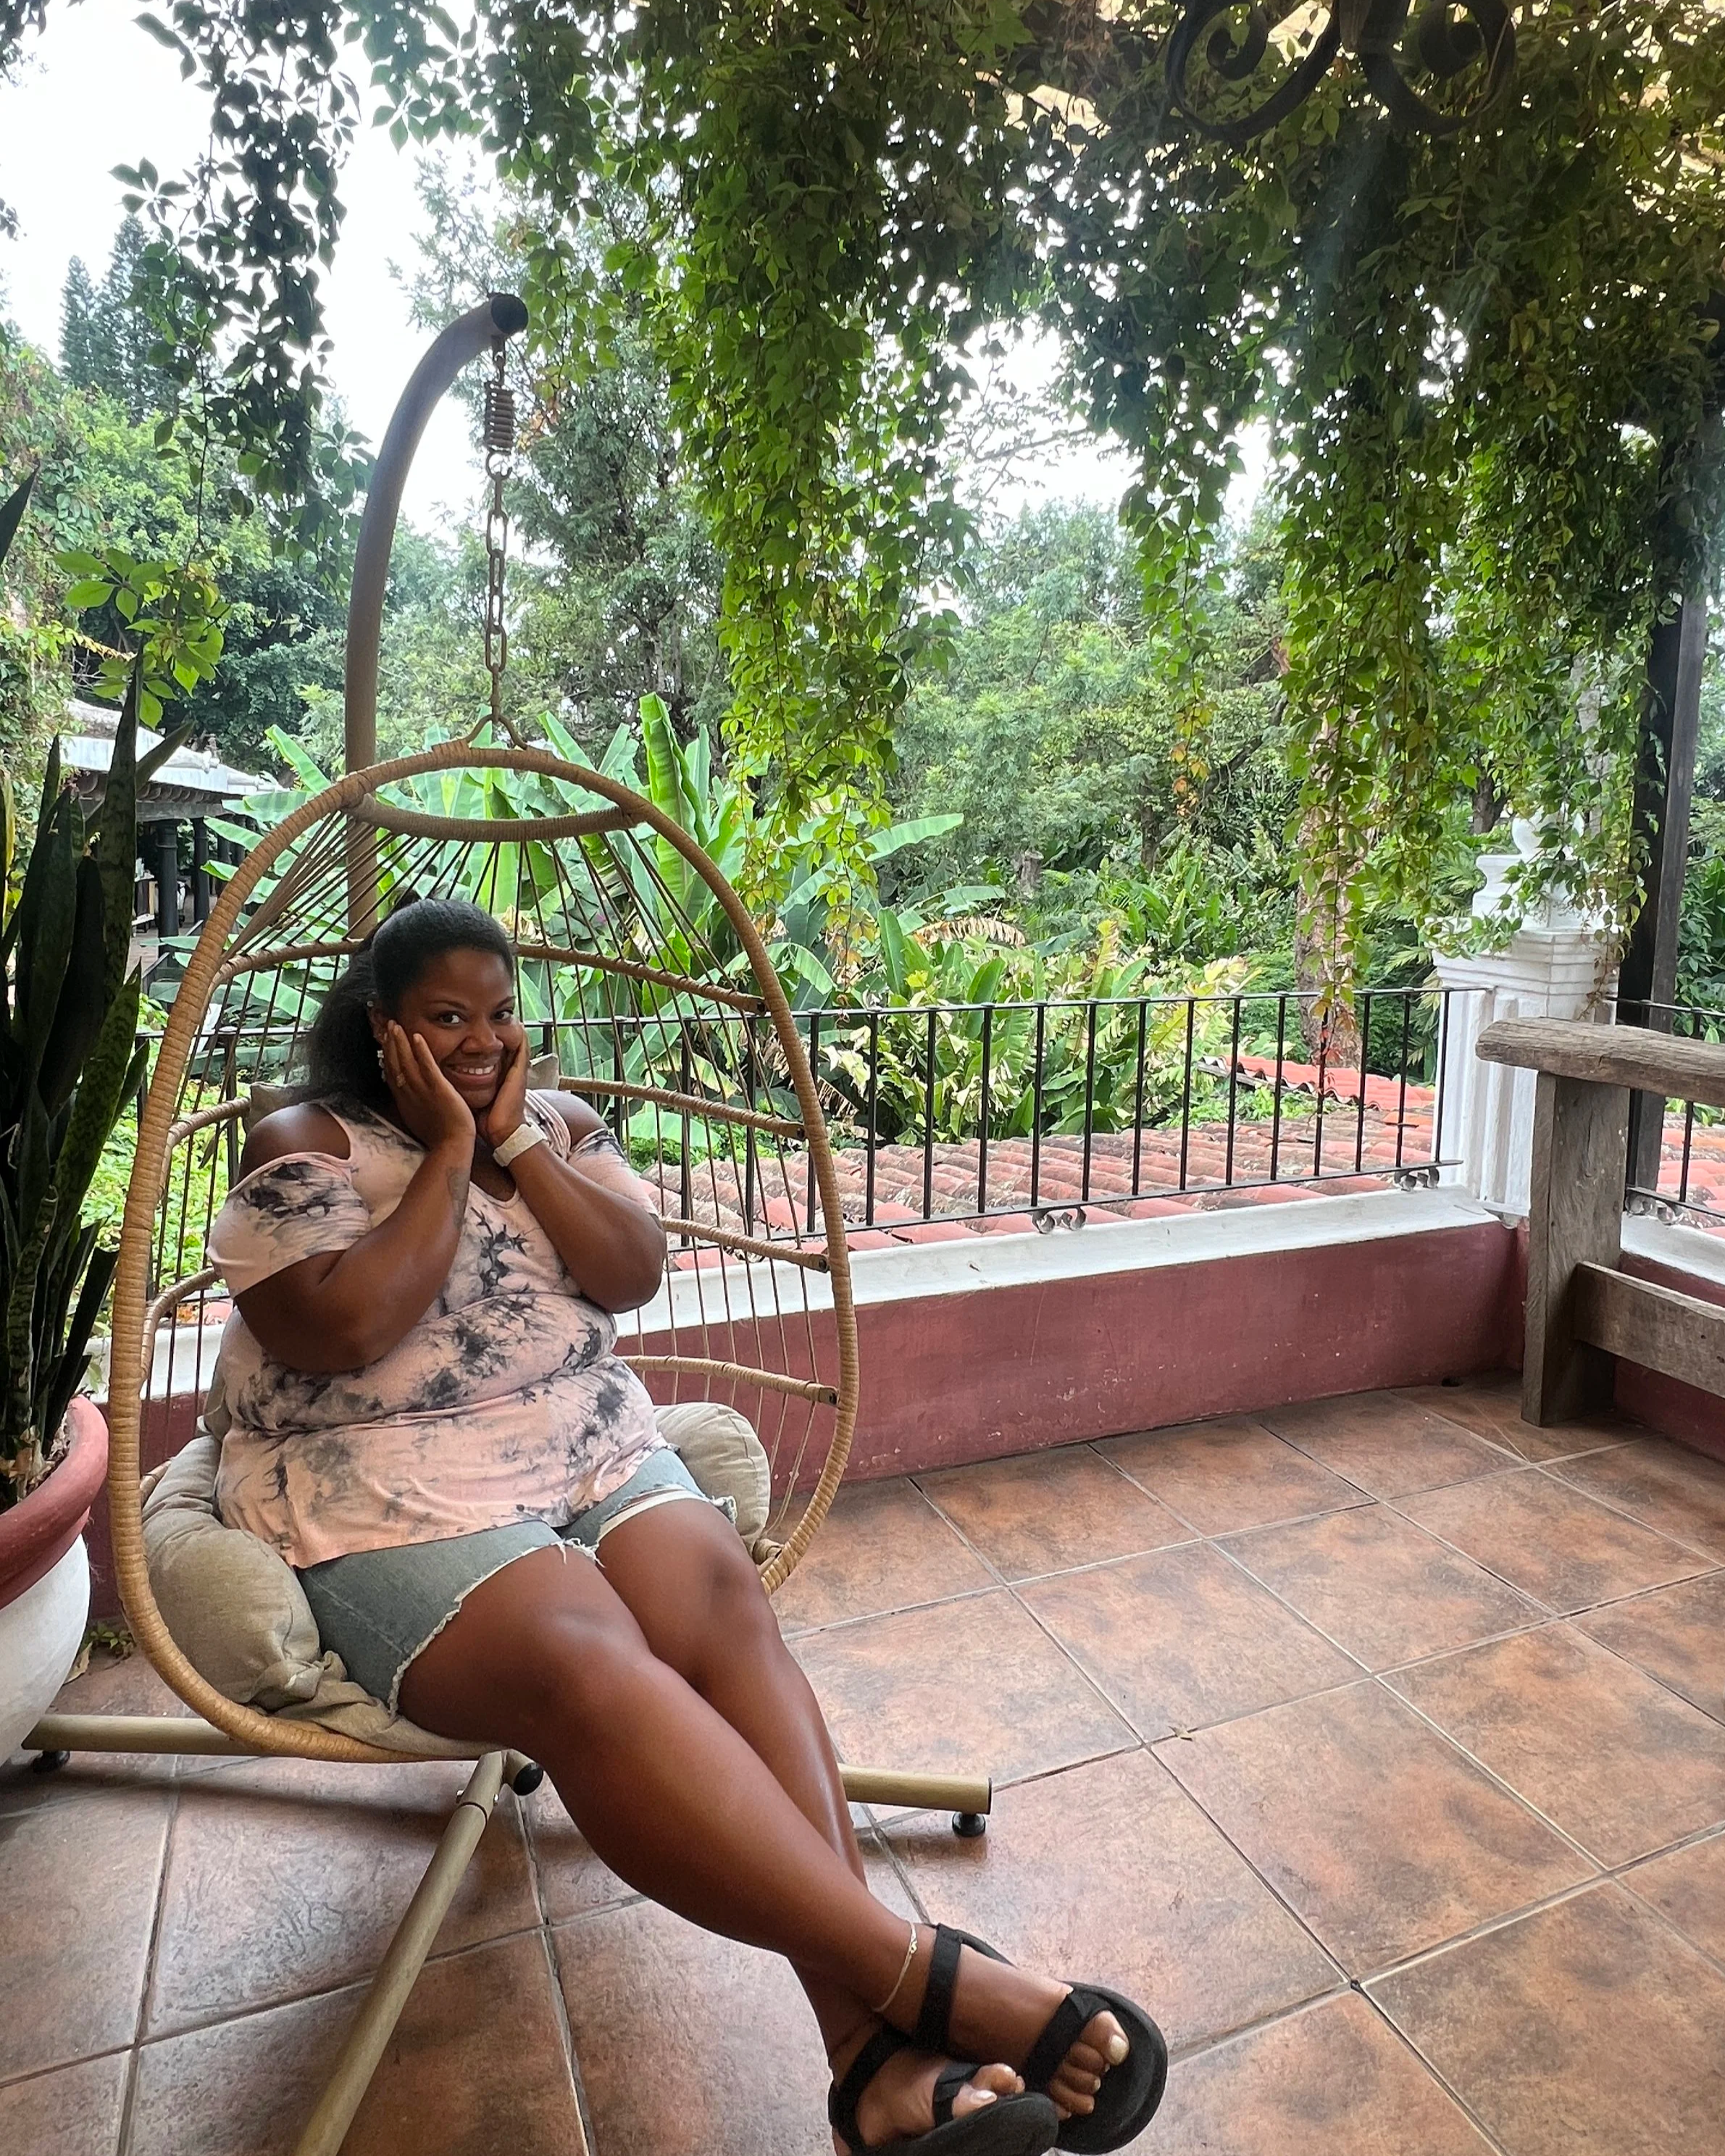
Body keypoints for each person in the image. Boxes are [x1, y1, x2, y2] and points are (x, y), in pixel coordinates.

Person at [206, 898, 1165, 2155]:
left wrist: (521, 1150)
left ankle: (873, 2059)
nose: (484, 1043)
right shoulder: (310, 1138)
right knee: (587, 1660)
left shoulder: (558, 1125)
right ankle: (931, 1979)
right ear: (385, 1029)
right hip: (381, 1483)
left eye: (501, 1015)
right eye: (448, 1020)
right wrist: (445, 1150)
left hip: (586, 1441)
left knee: (722, 1609)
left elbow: (629, 1272)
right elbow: (342, 1331)